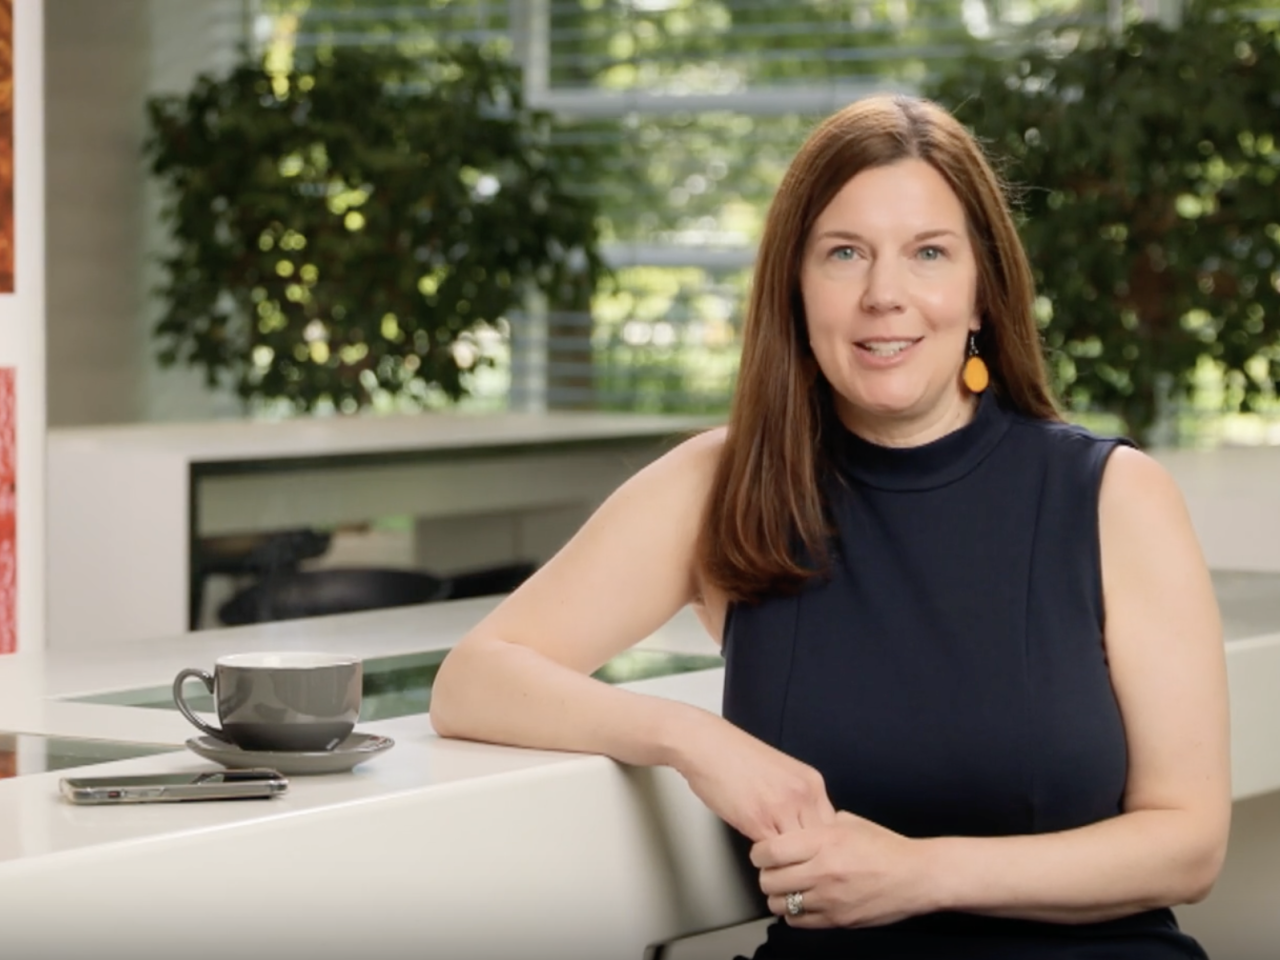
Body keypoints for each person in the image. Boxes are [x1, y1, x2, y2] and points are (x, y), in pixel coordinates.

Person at [429, 94, 1230, 959]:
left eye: (928, 253)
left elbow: (1186, 844)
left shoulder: (1111, 495)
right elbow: (475, 678)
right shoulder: (725, 483)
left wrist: (921, 873)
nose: (885, 296)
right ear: (797, 288)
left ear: (981, 293)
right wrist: (694, 739)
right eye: (845, 254)